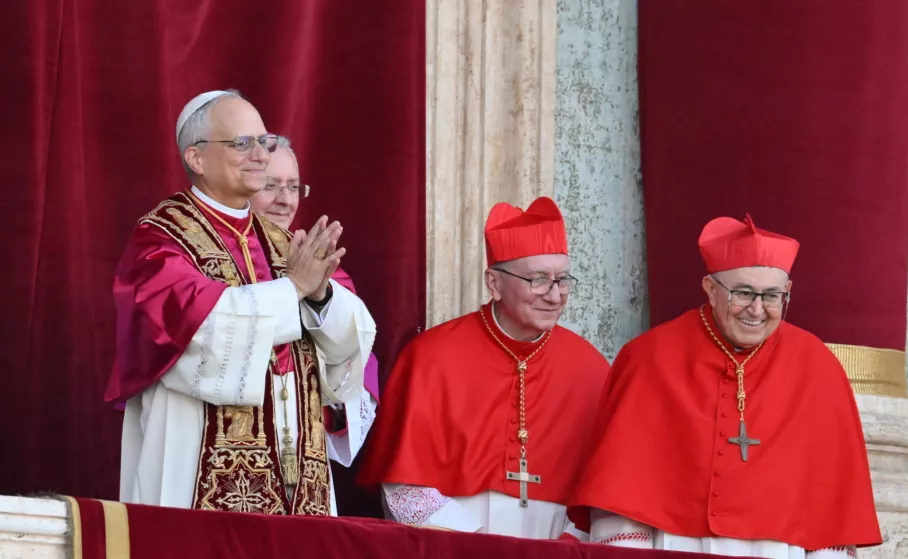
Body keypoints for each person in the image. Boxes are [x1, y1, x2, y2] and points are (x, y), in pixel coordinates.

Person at [105, 90, 377, 517]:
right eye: (242, 143)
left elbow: (351, 345)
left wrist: (321, 295)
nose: (259, 155)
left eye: (263, 142)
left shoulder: (285, 242)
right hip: (196, 459)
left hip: (295, 467)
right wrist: (293, 291)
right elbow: (195, 330)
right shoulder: (161, 237)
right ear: (196, 159)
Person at [567, 214, 881, 557]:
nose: (757, 310)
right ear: (710, 289)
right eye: (743, 293)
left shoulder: (819, 367)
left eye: (772, 296)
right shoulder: (650, 358)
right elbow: (622, 493)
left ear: (787, 292)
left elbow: (830, 510)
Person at [356, 197, 610, 540]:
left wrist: (568, 544)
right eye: (538, 280)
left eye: (562, 280)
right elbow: (405, 491)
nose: (554, 296)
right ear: (494, 284)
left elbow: (606, 491)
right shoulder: (431, 357)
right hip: (455, 544)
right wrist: (476, 545)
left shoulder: (590, 367)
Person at [250, 137, 380, 448]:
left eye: (293, 187)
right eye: (270, 186)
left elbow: (355, 362)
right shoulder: (212, 259)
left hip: (300, 437)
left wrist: (320, 298)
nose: (285, 200)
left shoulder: (325, 268)